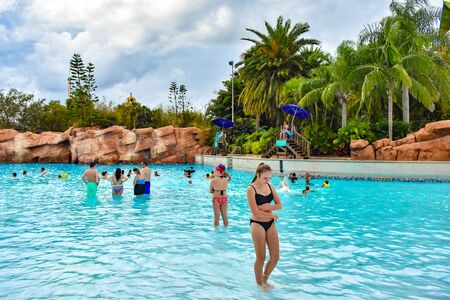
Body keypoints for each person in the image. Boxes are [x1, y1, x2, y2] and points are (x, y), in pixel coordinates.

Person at [246, 163, 282, 290]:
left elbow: (279, 205)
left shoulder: (270, 186)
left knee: (275, 257)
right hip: (257, 224)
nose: (267, 180)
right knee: (261, 257)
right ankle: (259, 284)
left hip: (270, 224)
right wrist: (273, 215)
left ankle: (264, 280)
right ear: (258, 175)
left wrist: (269, 208)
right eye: (265, 178)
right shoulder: (251, 189)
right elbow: (255, 212)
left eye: (269, 178)